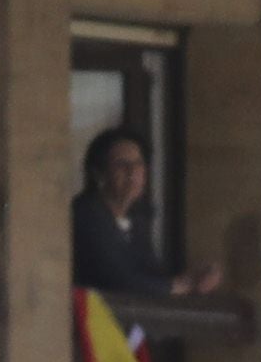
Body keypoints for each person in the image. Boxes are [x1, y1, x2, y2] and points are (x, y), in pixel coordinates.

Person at [73, 127, 214, 300]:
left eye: (138, 163)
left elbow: (150, 272)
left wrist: (196, 278)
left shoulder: (137, 218)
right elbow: (117, 280)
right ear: (99, 174)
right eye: (121, 165)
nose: (133, 172)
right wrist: (175, 286)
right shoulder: (86, 214)